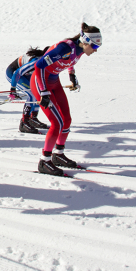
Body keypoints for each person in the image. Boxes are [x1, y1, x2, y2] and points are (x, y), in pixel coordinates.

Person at [31, 23, 102, 176]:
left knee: (66, 120)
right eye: (95, 47)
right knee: (57, 123)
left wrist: (72, 76)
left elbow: (71, 61)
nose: (95, 51)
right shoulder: (65, 48)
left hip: (54, 81)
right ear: (85, 42)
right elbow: (39, 66)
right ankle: (44, 161)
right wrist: (43, 92)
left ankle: (58, 154)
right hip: (40, 82)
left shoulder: (80, 49)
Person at [6, 47, 50, 133]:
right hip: (14, 73)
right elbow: (17, 73)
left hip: (26, 74)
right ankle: (24, 122)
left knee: (38, 92)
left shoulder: (49, 60)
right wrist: (13, 89)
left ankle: (32, 118)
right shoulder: (36, 61)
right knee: (32, 94)